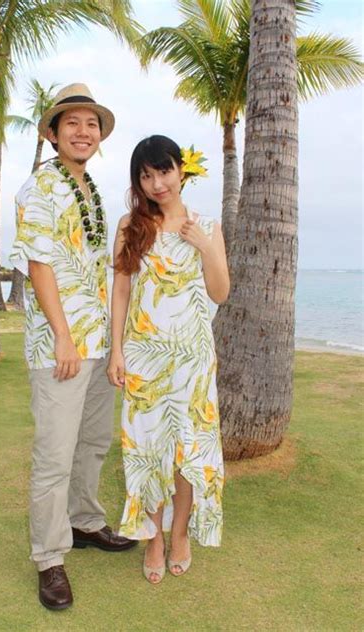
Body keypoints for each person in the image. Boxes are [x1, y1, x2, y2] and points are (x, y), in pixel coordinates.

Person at [10, 83, 136, 611]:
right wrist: (63, 335)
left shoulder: (91, 188)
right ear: (53, 133)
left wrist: (113, 343)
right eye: (73, 123)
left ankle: (84, 522)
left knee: (92, 444)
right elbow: (39, 263)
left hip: (97, 343)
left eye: (91, 124)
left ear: (99, 135)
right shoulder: (40, 186)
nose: (83, 132)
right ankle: (48, 557)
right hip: (59, 347)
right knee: (55, 456)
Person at [108, 135, 229, 584]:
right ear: (138, 181)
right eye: (146, 175)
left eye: (164, 171)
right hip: (144, 356)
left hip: (193, 359)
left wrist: (204, 246)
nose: (157, 183)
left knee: (188, 450)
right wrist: (117, 350)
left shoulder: (207, 226)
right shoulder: (131, 225)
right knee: (148, 449)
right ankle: (153, 539)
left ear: (181, 170)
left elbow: (220, 293)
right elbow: (122, 290)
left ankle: (179, 535)